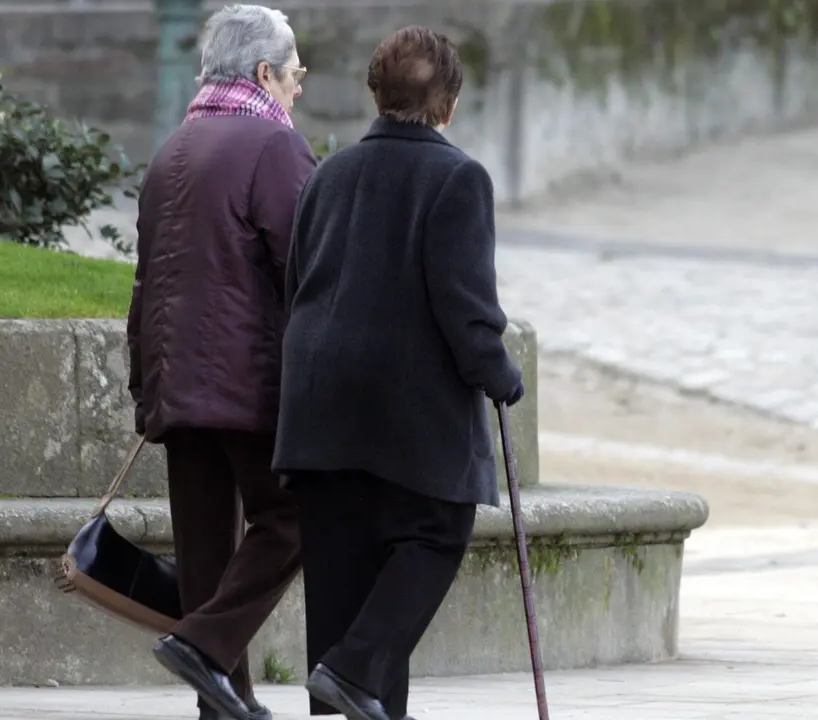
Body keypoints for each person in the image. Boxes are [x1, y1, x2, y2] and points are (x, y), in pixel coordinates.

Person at [272, 26, 526, 720]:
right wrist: (501, 375)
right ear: (447, 104)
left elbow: (299, 286)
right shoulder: (458, 177)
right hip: (408, 422)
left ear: (377, 96)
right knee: (436, 533)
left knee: (340, 588)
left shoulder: (329, 172)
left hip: (321, 413)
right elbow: (468, 311)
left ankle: (349, 681)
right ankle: (357, 671)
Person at [125, 4, 317, 719]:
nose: (299, 87)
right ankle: (205, 644)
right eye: (294, 74)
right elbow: (305, 266)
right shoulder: (273, 146)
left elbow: (147, 280)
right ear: (265, 73)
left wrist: (146, 380)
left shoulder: (175, 146)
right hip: (248, 382)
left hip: (177, 380)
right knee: (295, 515)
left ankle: (223, 703)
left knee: (206, 543)